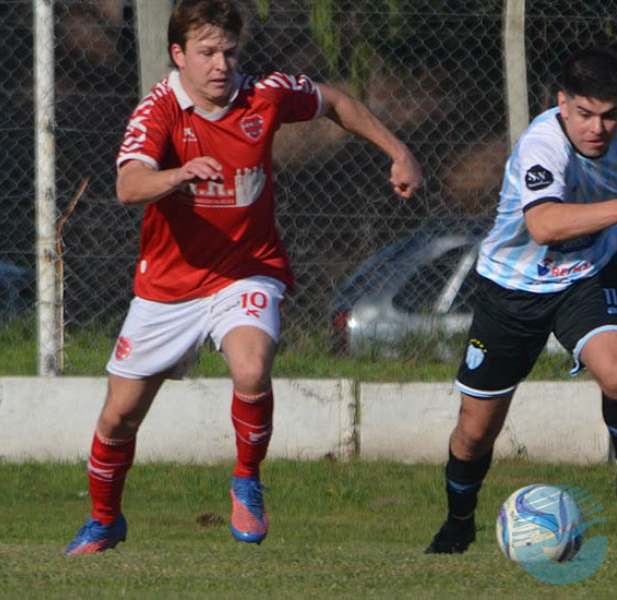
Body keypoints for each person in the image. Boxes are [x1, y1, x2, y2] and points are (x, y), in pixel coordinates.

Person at [63, 0, 422, 555]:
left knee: (252, 368)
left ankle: (247, 480)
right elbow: (128, 186)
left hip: (247, 270)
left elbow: (335, 101)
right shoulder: (158, 110)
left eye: (229, 52)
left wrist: (399, 151)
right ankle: (105, 520)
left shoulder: (264, 94)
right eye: (206, 52)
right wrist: (178, 174)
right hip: (169, 286)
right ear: (178, 54)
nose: (220, 65)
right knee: (119, 418)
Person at [425, 47, 617, 554]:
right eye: (584, 114)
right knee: (475, 432)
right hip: (512, 289)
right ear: (562, 103)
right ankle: (459, 521)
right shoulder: (543, 145)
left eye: (608, 114)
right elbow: (543, 224)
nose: (597, 128)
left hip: (586, 275)